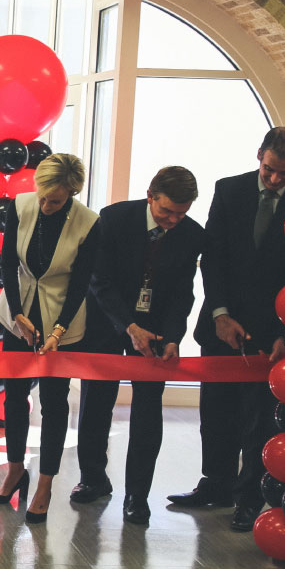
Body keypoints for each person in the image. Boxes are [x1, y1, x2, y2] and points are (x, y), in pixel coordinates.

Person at [169, 127, 285, 532]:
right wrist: (220, 313)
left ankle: (249, 499)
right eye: (270, 169)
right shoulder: (229, 189)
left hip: (271, 333)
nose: (276, 179)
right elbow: (214, 258)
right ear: (259, 155)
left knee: (259, 420)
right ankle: (214, 485)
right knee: (215, 412)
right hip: (221, 324)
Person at [73, 166, 204, 525]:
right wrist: (128, 326)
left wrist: (174, 336)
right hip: (107, 322)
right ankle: (93, 479)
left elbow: (183, 293)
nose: (174, 219)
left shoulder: (192, 234)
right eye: (167, 211)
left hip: (157, 331)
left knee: (148, 411)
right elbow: (99, 280)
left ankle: (137, 496)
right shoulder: (114, 218)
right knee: (96, 403)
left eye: (182, 212)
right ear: (151, 196)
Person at [0, 153, 100, 523]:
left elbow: (81, 285)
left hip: (61, 321)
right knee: (15, 396)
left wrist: (58, 331)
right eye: (42, 197)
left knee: (54, 403)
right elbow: (7, 262)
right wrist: (19, 314)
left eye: (56, 200)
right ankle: (15, 469)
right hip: (17, 314)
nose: (46, 205)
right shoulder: (22, 205)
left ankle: (46, 484)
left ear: (71, 193)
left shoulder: (88, 223)